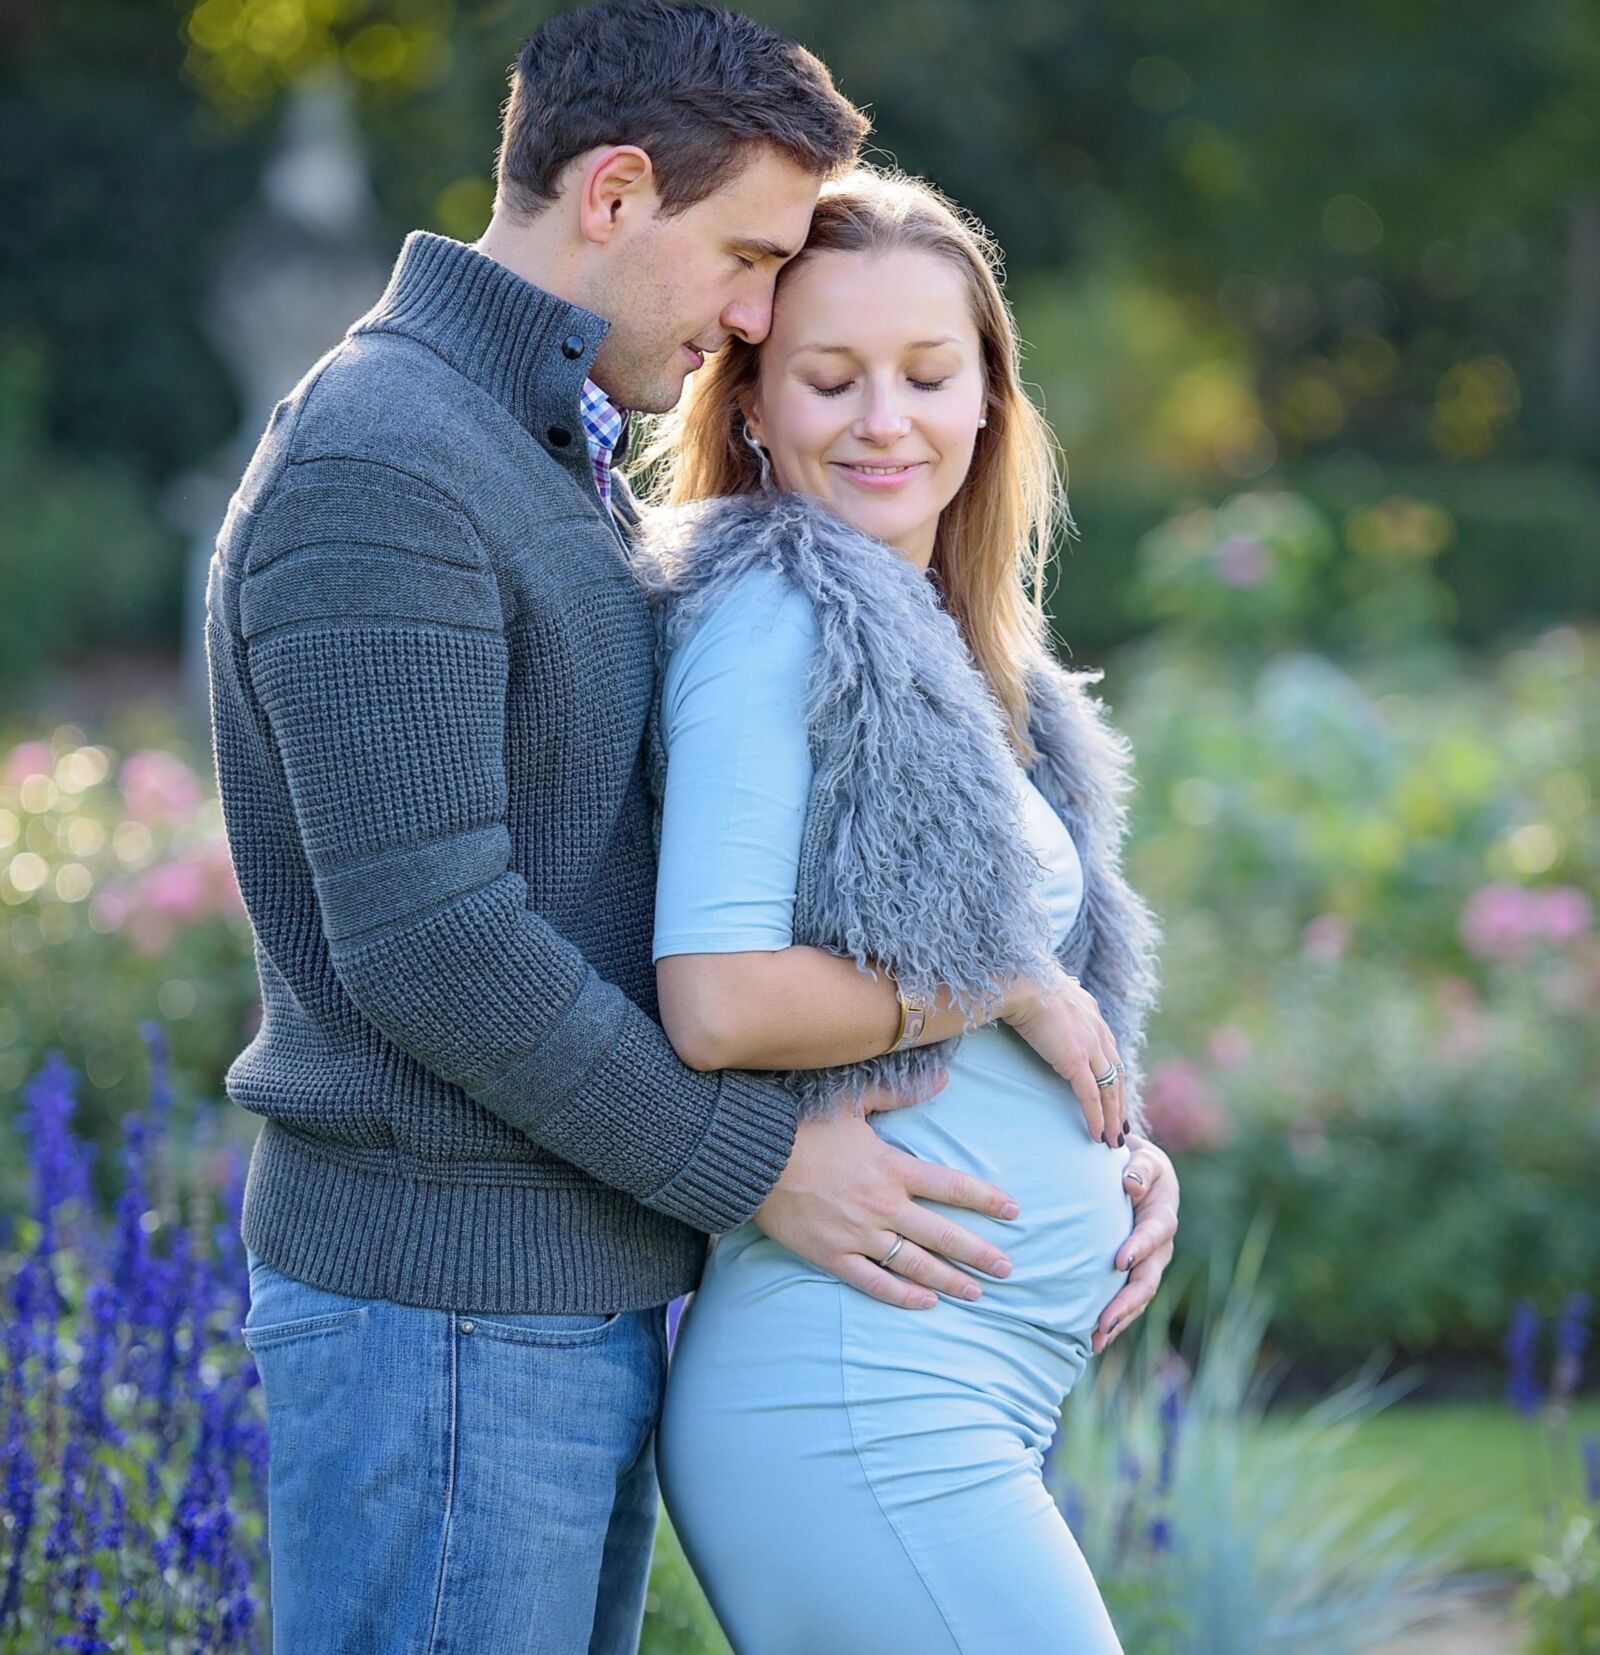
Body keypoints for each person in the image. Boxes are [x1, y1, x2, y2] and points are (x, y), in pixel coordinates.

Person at [206, 2, 1179, 1649]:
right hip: (442, 1310)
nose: (750, 314)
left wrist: (1050, 1070)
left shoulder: (528, 445)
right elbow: (436, 949)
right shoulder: (388, 460)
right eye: (742, 257)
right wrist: (763, 1164)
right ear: (612, 193)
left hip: (562, 1295)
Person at [637, 165, 1164, 1652]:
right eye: (831, 378)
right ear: (750, 402)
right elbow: (718, 998)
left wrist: (1119, 1148)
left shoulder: (963, 655)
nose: (886, 420)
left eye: (929, 374)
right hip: (858, 1399)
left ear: (992, 397)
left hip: (942, 1384)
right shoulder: (769, 611)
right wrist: (1004, 981)